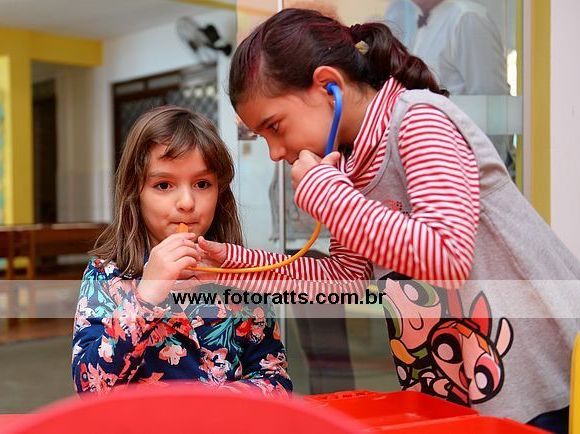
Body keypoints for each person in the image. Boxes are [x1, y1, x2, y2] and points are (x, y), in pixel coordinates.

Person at [194, 8, 578, 431]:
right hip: (456, 389)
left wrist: (330, 196)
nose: (275, 152)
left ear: (327, 85)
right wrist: (230, 263)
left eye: (275, 126)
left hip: (537, 382)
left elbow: (447, 257)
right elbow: (347, 279)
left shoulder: (418, 119)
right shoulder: (351, 168)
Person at [71, 106, 291, 396]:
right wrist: (145, 298)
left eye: (202, 184)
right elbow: (90, 389)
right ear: (135, 193)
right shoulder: (105, 276)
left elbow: (276, 380)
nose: (187, 202)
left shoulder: (241, 277)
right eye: (164, 185)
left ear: (220, 192)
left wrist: (211, 405)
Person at [385, 0, 514, 170]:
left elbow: (492, 102)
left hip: (469, 165)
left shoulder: (467, 19)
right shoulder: (423, 21)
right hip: (438, 159)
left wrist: (488, 170)